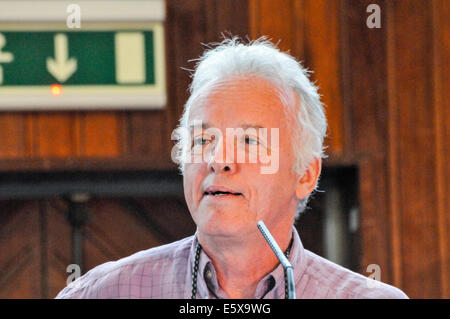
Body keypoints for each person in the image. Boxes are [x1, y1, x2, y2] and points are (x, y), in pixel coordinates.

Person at [56, 37, 407, 299]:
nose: (219, 160)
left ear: (305, 175)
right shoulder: (102, 293)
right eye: (203, 140)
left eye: (250, 142)